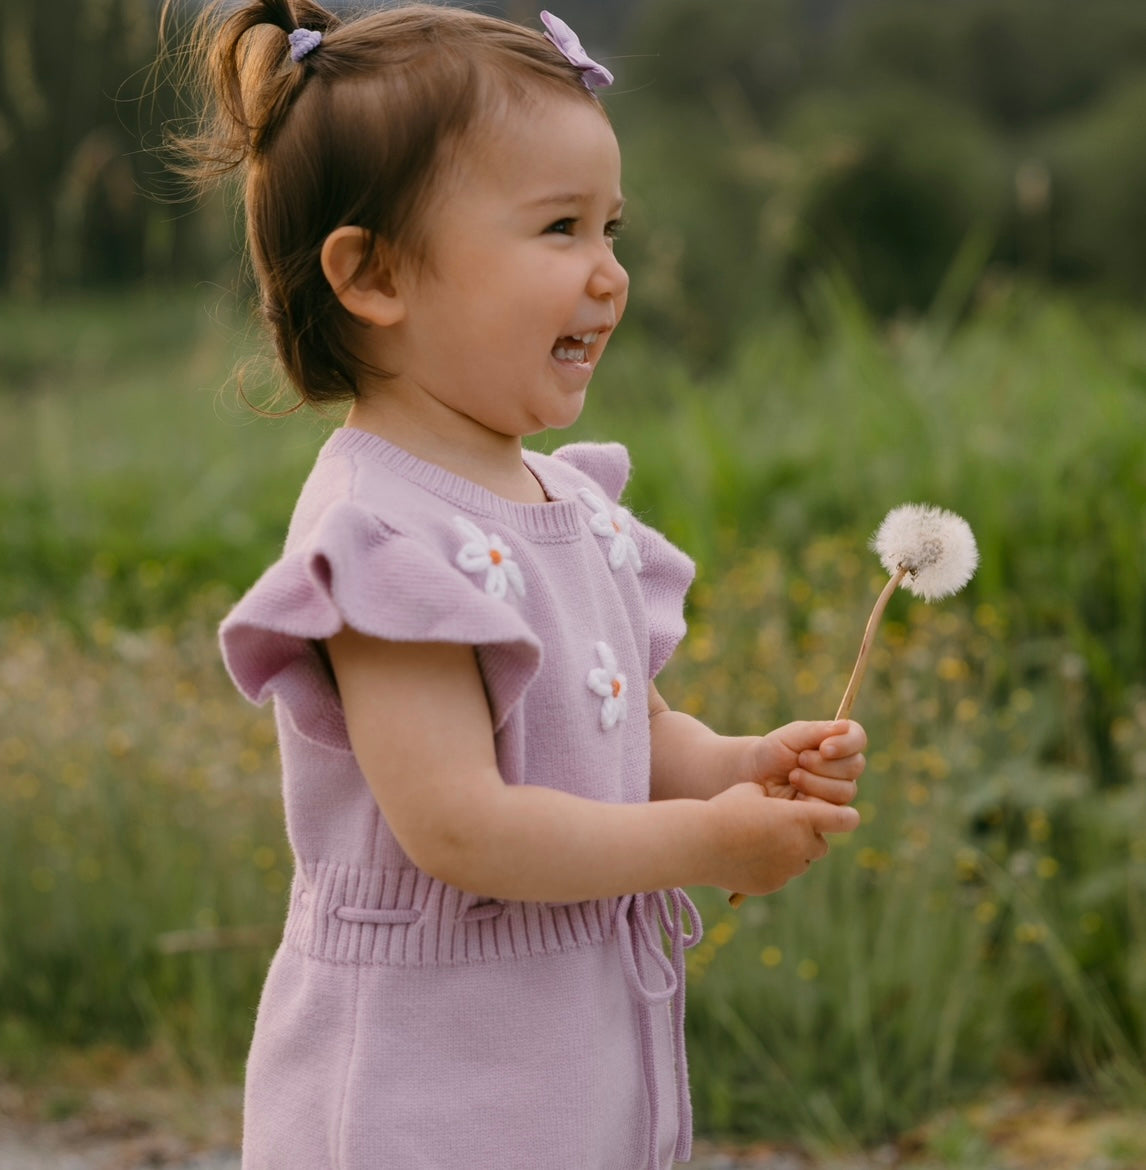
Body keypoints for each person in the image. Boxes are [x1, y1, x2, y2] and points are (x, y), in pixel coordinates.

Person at [172, 3, 865, 1166]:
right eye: (558, 229)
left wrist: (737, 769)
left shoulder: (574, 505)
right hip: (422, 1084)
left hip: (563, 1061)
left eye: (612, 227)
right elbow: (464, 827)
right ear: (375, 273)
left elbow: (624, 740)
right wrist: (706, 841)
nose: (610, 275)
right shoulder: (382, 534)